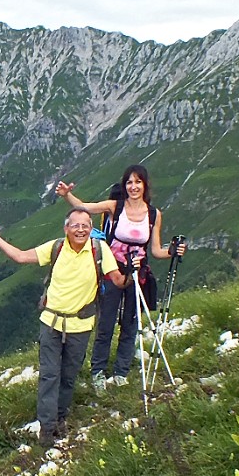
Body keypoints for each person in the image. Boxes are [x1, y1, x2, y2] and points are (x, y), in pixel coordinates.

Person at [0, 208, 124, 448]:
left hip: (80, 326)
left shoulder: (100, 250)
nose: (80, 229)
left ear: (91, 228)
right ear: (66, 228)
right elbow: (20, 257)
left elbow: (117, 279)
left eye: (85, 225)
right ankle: (48, 430)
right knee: (50, 375)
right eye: (75, 225)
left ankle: (60, 418)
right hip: (51, 323)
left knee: (68, 376)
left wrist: (131, 271)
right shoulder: (56, 248)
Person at [56, 164, 185, 391]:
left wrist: (172, 251)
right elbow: (86, 208)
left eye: (137, 182)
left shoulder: (154, 214)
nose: (133, 187)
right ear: (125, 186)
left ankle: (121, 372)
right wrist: (68, 196)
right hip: (112, 270)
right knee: (106, 322)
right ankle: (98, 372)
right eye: (129, 182)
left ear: (145, 185)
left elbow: (155, 249)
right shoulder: (115, 207)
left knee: (130, 323)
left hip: (138, 272)